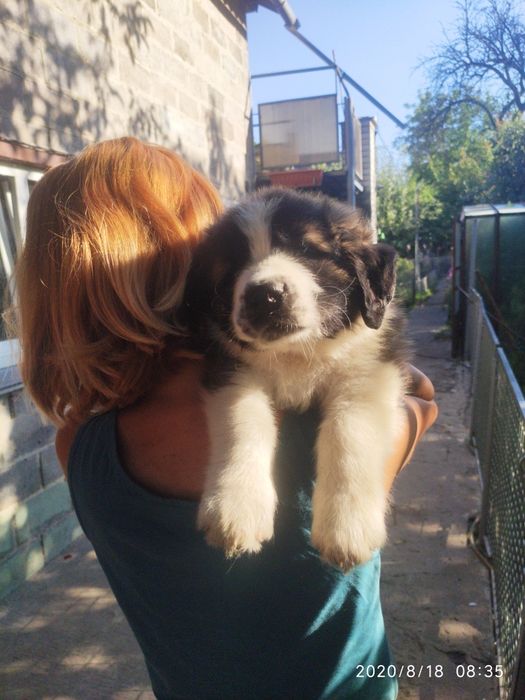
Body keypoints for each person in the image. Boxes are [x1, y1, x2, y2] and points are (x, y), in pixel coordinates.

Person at [13, 137, 437, 700]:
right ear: (181, 263)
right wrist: (410, 399)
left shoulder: (76, 445)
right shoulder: (300, 429)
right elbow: (417, 404)